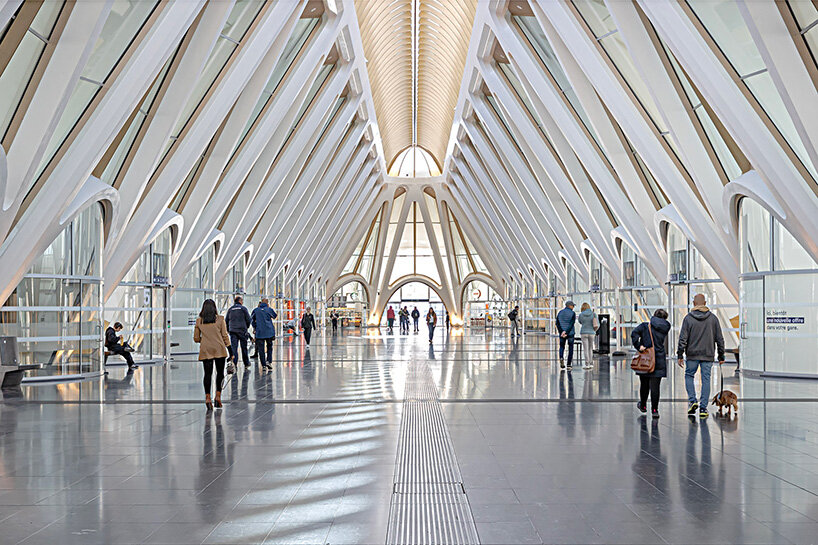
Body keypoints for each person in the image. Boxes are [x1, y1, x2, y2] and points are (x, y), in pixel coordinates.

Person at [677, 294, 725, 419]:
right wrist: (721, 356)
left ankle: (692, 401)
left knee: (689, 376)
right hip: (708, 354)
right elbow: (719, 338)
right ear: (704, 302)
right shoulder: (713, 319)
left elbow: (683, 338)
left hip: (692, 354)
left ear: (694, 303)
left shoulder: (688, 318)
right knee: (706, 380)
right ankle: (703, 408)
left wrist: (680, 354)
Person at [632, 309, 671, 418]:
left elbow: (634, 333)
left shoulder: (645, 326)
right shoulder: (666, 327)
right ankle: (655, 410)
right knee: (655, 386)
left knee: (644, 384)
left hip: (646, 359)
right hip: (658, 359)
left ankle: (643, 405)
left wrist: (639, 346)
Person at [193, 299, 230, 411]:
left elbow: (196, 338)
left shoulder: (199, 321)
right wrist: (231, 350)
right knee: (220, 373)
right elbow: (225, 336)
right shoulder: (220, 320)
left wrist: (204, 341)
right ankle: (218, 396)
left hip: (206, 350)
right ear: (214, 308)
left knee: (207, 374)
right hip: (219, 349)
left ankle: (207, 397)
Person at [225, 295, 252, 369]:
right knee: (244, 348)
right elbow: (249, 319)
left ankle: (234, 363)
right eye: (242, 301)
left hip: (233, 331)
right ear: (240, 301)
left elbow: (226, 321)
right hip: (242, 331)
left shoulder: (230, 309)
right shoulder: (243, 309)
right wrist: (246, 327)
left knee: (234, 348)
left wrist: (228, 329)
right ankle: (246, 363)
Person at [251, 298, 277, 371]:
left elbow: (252, 320)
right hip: (269, 331)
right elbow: (274, 316)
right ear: (267, 303)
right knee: (269, 346)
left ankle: (263, 365)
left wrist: (255, 327)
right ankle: (269, 361)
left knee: (261, 349)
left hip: (259, 332)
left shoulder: (255, 310)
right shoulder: (269, 309)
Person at [576, 303, 598, 369]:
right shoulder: (594, 314)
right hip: (592, 333)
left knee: (585, 349)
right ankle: (591, 363)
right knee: (590, 348)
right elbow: (597, 324)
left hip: (583, 332)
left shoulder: (581, 314)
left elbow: (580, 322)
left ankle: (587, 364)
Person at [556, 301, 577, 369]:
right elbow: (571, 324)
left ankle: (561, 357)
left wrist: (562, 332)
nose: (573, 307)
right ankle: (569, 364)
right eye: (573, 306)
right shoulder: (572, 313)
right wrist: (566, 332)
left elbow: (557, 323)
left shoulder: (560, 312)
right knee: (570, 348)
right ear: (570, 306)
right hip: (570, 333)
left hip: (562, 334)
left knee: (562, 347)